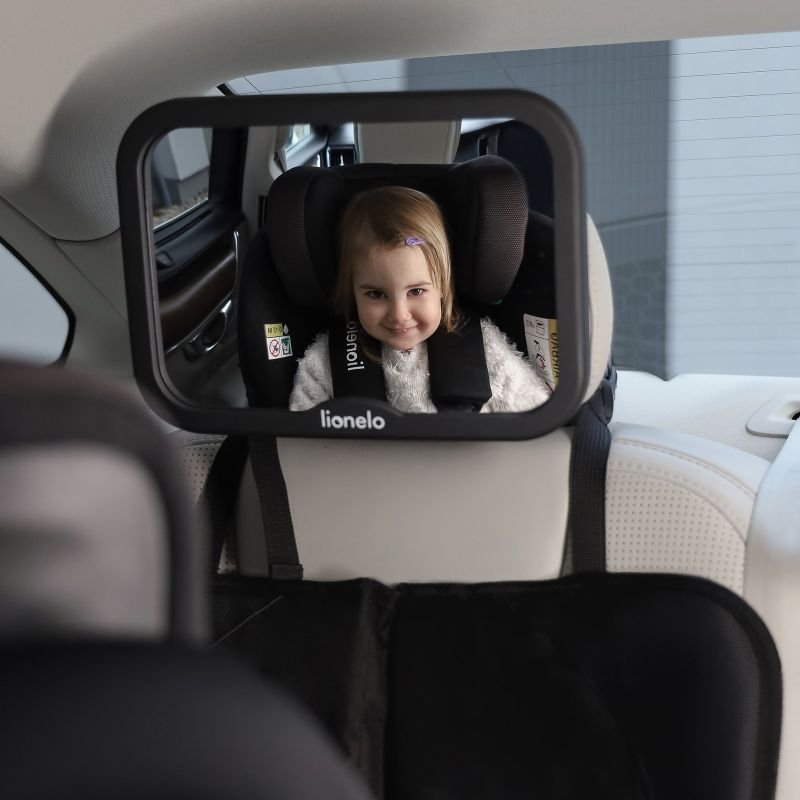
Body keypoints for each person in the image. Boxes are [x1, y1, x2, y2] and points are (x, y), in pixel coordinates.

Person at [289, 185, 551, 413]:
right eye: (376, 294)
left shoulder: (484, 350)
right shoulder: (326, 363)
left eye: (416, 291)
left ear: (442, 286)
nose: (399, 314)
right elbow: (301, 441)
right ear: (352, 291)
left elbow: (536, 416)